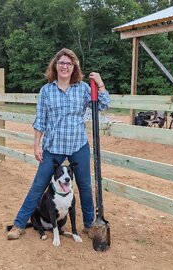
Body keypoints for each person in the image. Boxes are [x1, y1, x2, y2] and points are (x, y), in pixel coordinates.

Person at [7, 48, 110, 240]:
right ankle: (19, 224)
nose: (64, 66)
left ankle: (89, 225)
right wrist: (36, 145)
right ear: (55, 66)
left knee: (85, 187)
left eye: (68, 64)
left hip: (78, 145)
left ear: (74, 68)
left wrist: (100, 84)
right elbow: (41, 120)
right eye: (61, 63)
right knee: (38, 186)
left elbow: (103, 105)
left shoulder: (82, 89)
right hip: (53, 148)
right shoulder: (47, 90)